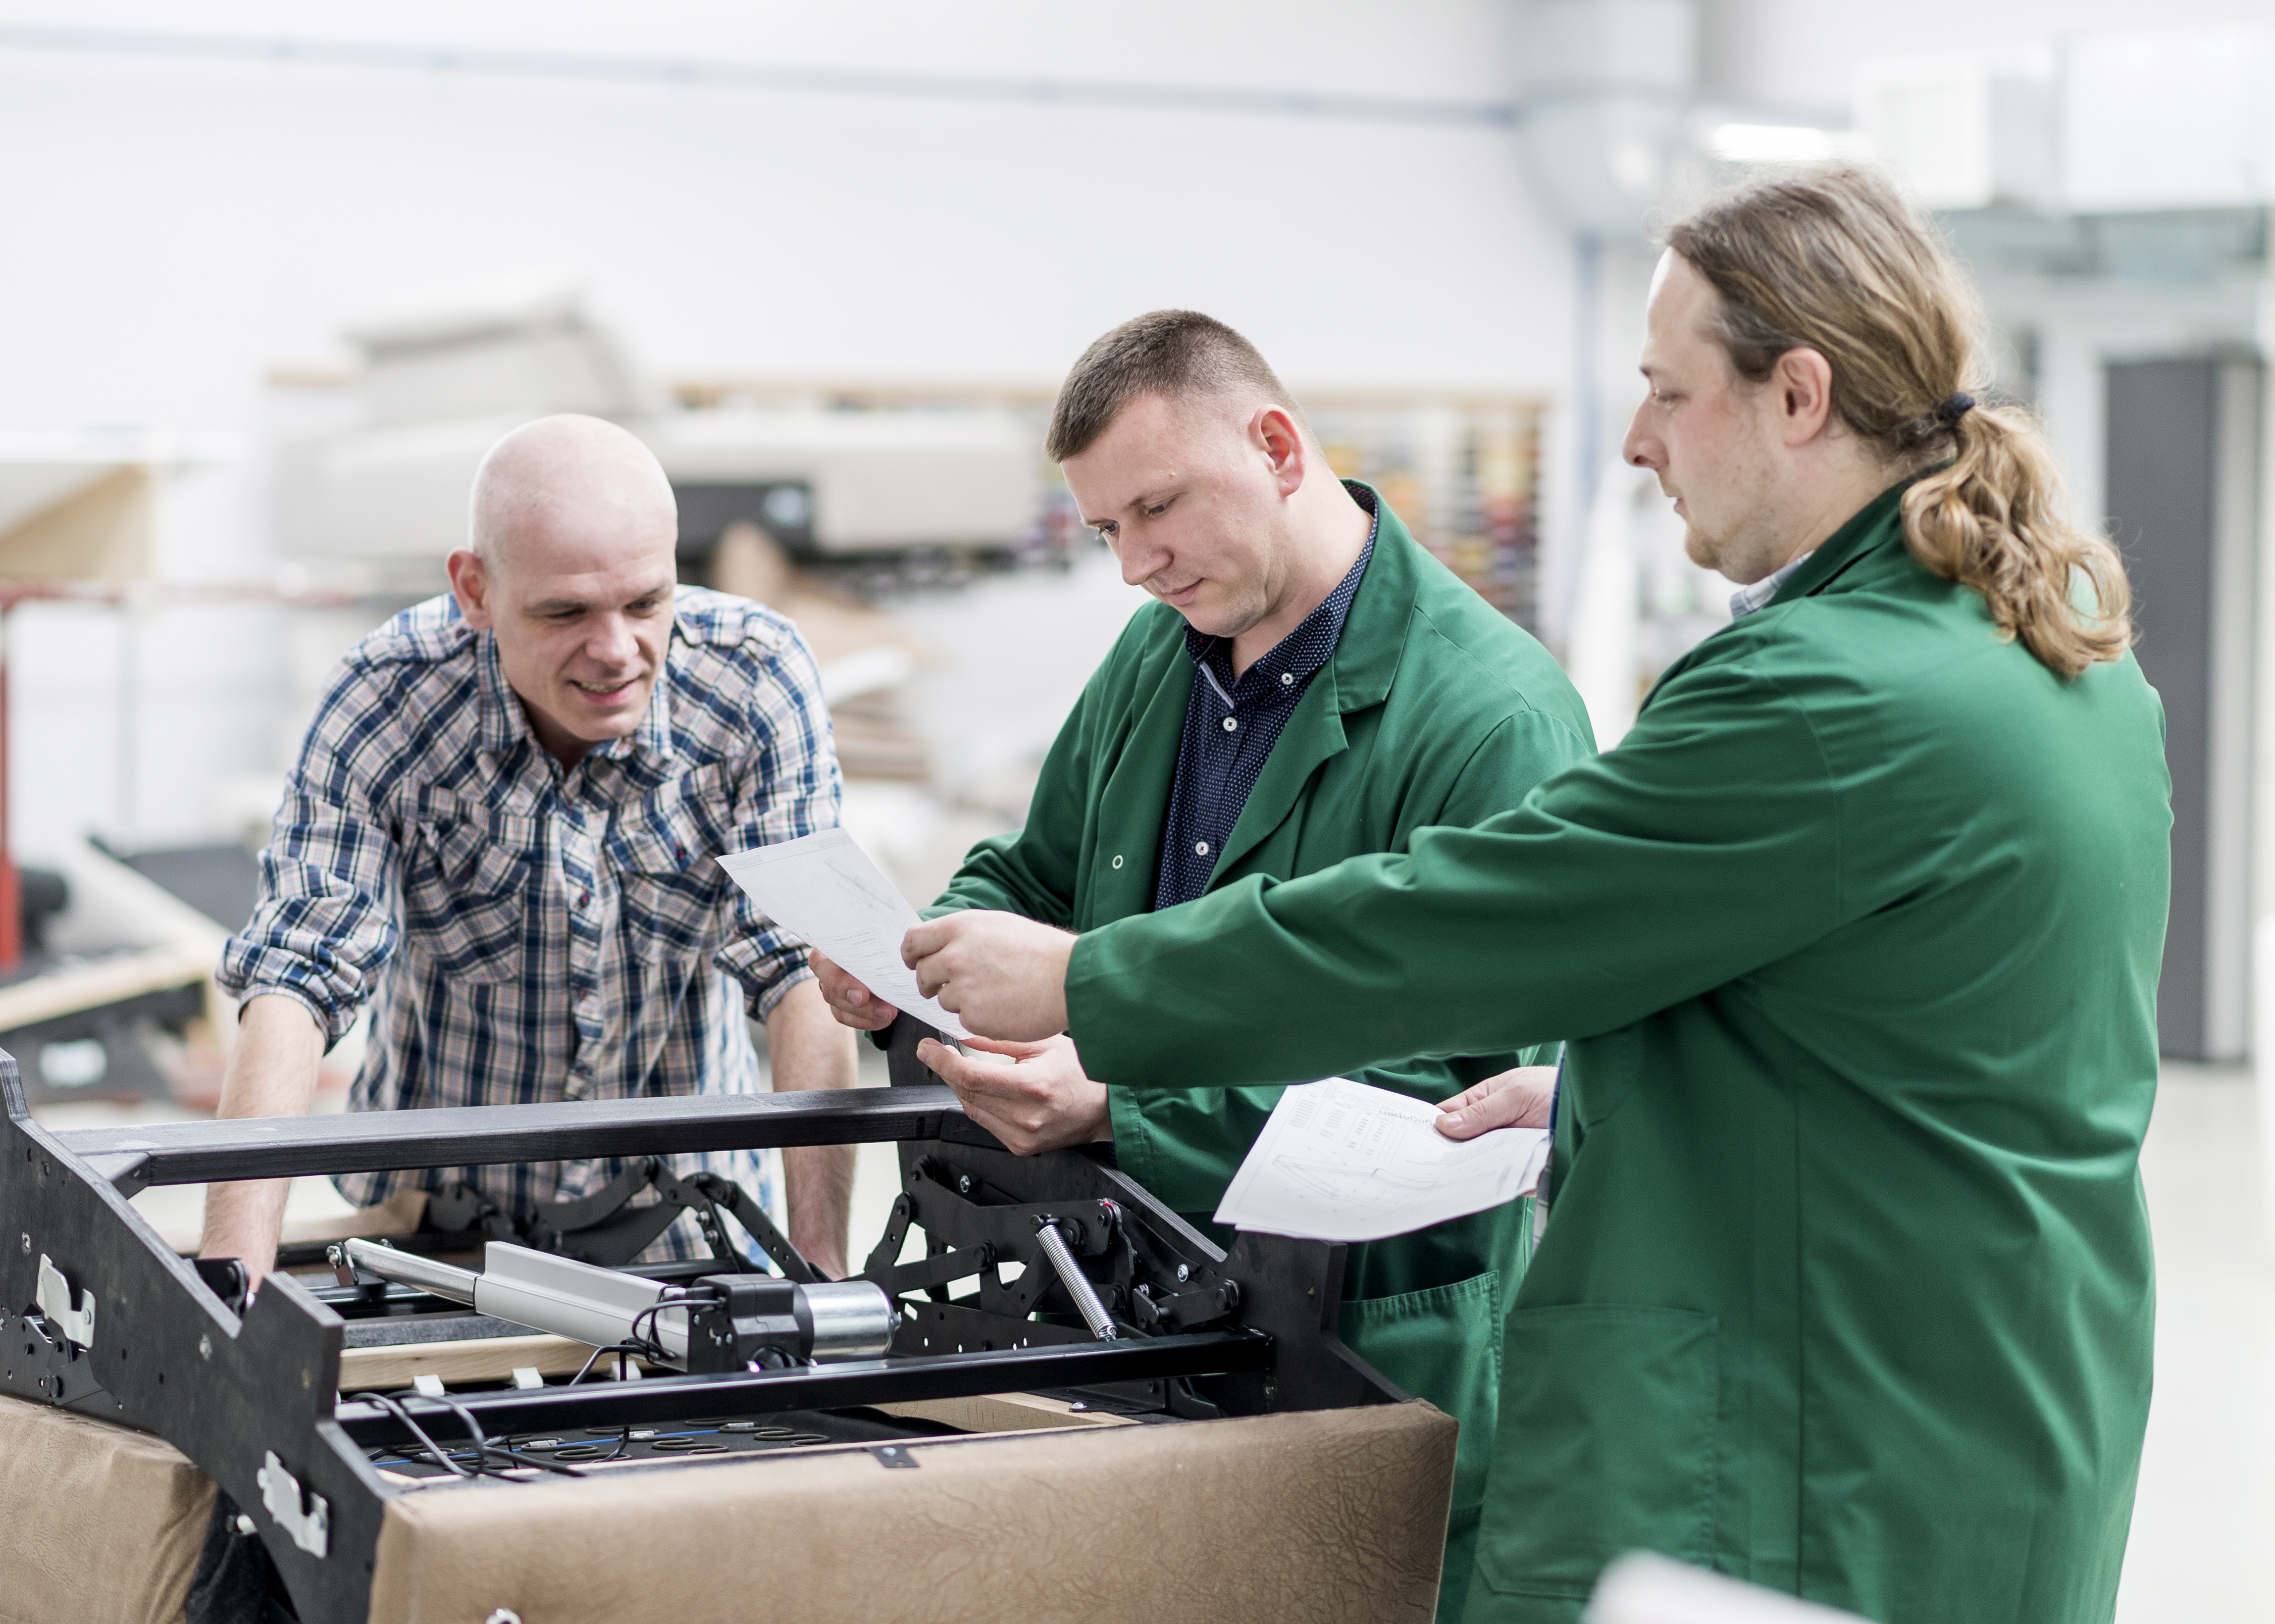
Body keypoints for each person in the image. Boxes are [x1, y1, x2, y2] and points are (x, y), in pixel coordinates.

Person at [903, 167, 2169, 1624]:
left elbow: (1460, 922)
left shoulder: (1816, 698)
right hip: (1990, 1400)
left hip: (1822, 1439)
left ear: (1800, 395)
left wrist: (1087, 990)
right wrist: (1587, 1097)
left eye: (1666, 392)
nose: (1634, 442)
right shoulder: (2062, 652)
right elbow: (1911, 1040)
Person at [811, 309, 1594, 1617]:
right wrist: (923, 956)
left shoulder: (1493, 719)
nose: (1133, 564)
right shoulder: (1158, 663)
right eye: (1107, 528)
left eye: (1156, 509)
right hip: (1137, 1305)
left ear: (1279, 446)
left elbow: (1468, 1099)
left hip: (1365, 1344)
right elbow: (1032, 873)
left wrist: (1129, 1104)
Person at [207, 414, 858, 1281]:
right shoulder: (386, 702)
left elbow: (805, 975)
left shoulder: (754, 683)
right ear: (475, 590)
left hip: (688, 1226)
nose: (617, 651)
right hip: (432, 1232)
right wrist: (229, 1281)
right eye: (565, 613)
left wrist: (823, 1279)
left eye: (646, 603)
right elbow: (297, 978)